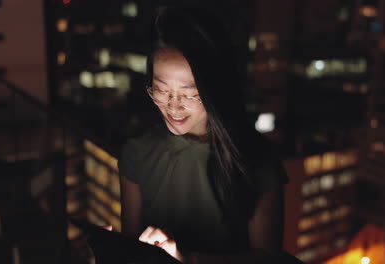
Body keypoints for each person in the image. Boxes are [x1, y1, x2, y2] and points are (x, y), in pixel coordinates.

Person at [118, 5, 289, 264]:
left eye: (189, 93)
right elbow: (130, 247)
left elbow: (267, 257)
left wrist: (188, 260)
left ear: (214, 87)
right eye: (161, 90)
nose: (173, 106)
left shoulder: (258, 160)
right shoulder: (137, 153)